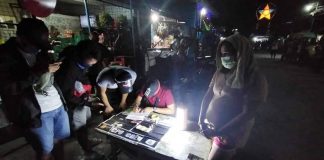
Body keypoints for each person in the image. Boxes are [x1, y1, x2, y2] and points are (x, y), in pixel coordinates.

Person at [0, 18, 70, 160]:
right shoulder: (4, 56)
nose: (39, 49)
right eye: (36, 45)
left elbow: (46, 73)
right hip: (35, 113)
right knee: (44, 150)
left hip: (57, 105)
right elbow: (9, 88)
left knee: (59, 141)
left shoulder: (40, 49)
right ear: (21, 38)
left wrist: (52, 67)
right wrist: (41, 71)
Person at [198, 33, 268, 160]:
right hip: (210, 127)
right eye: (222, 54)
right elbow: (208, 94)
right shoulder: (220, 72)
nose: (225, 58)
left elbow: (247, 114)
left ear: (241, 53)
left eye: (229, 54)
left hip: (228, 134)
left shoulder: (255, 78)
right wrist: (201, 118)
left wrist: (219, 132)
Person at [55, 40, 104, 159]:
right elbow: (66, 94)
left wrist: (87, 94)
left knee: (86, 120)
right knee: (80, 125)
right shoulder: (69, 68)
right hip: (72, 103)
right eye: (90, 63)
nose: (91, 65)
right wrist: (85, 102)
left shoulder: (79, 62)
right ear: (84, 55)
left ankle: (87, 142)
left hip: (80, 96)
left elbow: (82, 76)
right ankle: (88, 151)